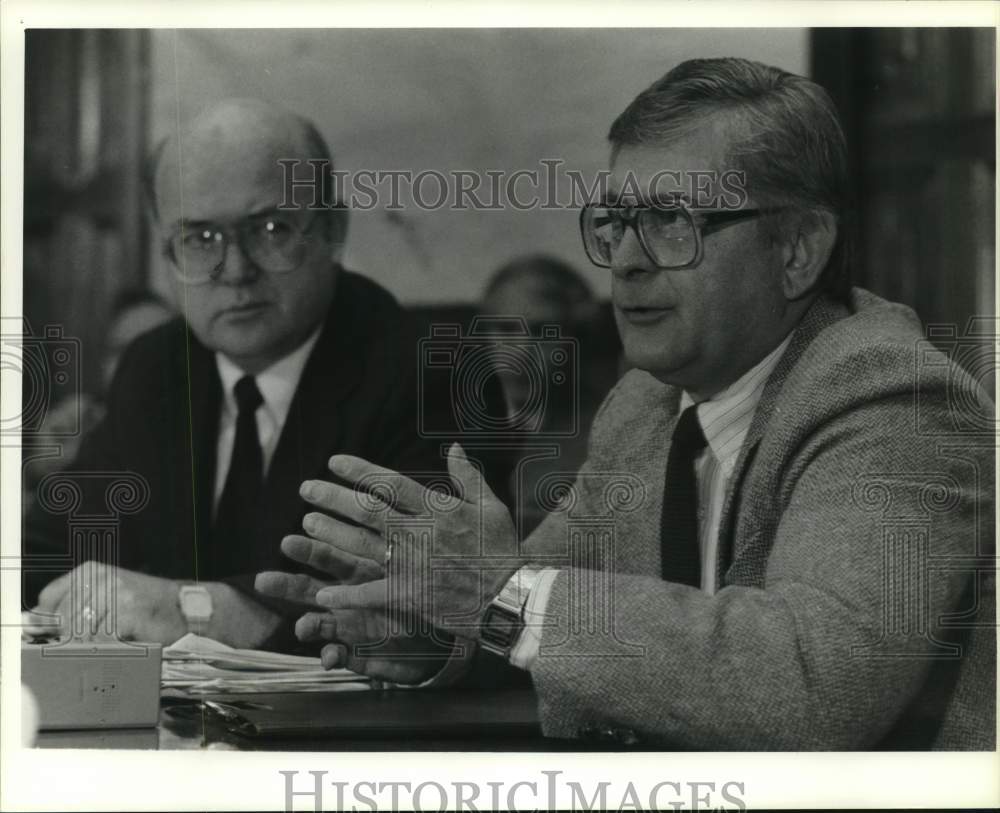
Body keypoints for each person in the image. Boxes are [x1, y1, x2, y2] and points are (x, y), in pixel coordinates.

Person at [259, 58, 994, 749]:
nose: (630, 259)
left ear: (798, 248)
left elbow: (815, 685)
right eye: (616, 223)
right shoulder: (646, 404)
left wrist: (499, 593)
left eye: (673, 221)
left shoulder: (898, 403)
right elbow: (543, 614)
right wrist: (423, 626)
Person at [22, 98, 503, 651]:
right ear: (165, 252)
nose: (235, 270)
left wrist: (192, 610)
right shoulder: (156, 366)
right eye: (199, 239)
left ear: (331, 231)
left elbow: (420, 592)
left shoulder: (431, 371)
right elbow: (50, 546)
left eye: (270, 228)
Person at [479, 255, 614, 535]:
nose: (521, 353)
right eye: (505, 330)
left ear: (576, 339)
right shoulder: (446, 414)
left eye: (543, 333)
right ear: (485, 336)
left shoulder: (605, 428)